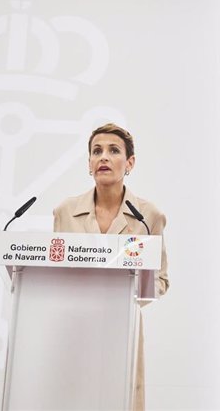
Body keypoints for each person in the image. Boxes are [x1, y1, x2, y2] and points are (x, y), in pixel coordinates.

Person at [53, 123, 169, 411]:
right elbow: (52, 271)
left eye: (113, 150)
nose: (103, 157)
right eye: (96, 151)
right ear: (89, 163)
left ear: (129, 163)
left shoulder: (148, 216)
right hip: (75, 326)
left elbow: (161, 280)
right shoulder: (64, 211)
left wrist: (126, 297)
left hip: (123, 328)